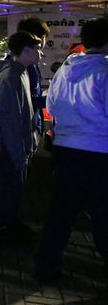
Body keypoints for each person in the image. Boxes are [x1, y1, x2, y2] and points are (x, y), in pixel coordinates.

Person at [34, 17, 108, 284]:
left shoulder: (65, 69)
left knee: (61, 214)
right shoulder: (104, 70)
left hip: (66, 149)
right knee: (102, 214)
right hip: (99, 151)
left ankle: (46, 268)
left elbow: (51, 107)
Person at [0, 31, 42, 247]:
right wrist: (18, 151)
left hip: (14, 143)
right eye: (37, 48)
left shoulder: (20, 71)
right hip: (8, 144)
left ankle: (5, 224)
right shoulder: (10, 76)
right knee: (8, 187)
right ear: (26, 50)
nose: (40, 53)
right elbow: (8, 120)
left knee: (12, 187)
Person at [0, 18, 49, 137]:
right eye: (38, 46)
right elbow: (24, 101)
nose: (41, 51)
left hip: (26, 126)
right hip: (22, 130)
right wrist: (50, 100)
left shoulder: (21, 64)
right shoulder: (20, 69)